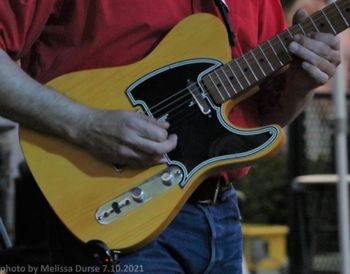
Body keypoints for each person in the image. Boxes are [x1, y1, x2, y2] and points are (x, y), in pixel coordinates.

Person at [0, 0, 341, 273]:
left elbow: (264, 116)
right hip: (114, 214)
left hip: (221, 218)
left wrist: (300, 87)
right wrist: (85, 124)